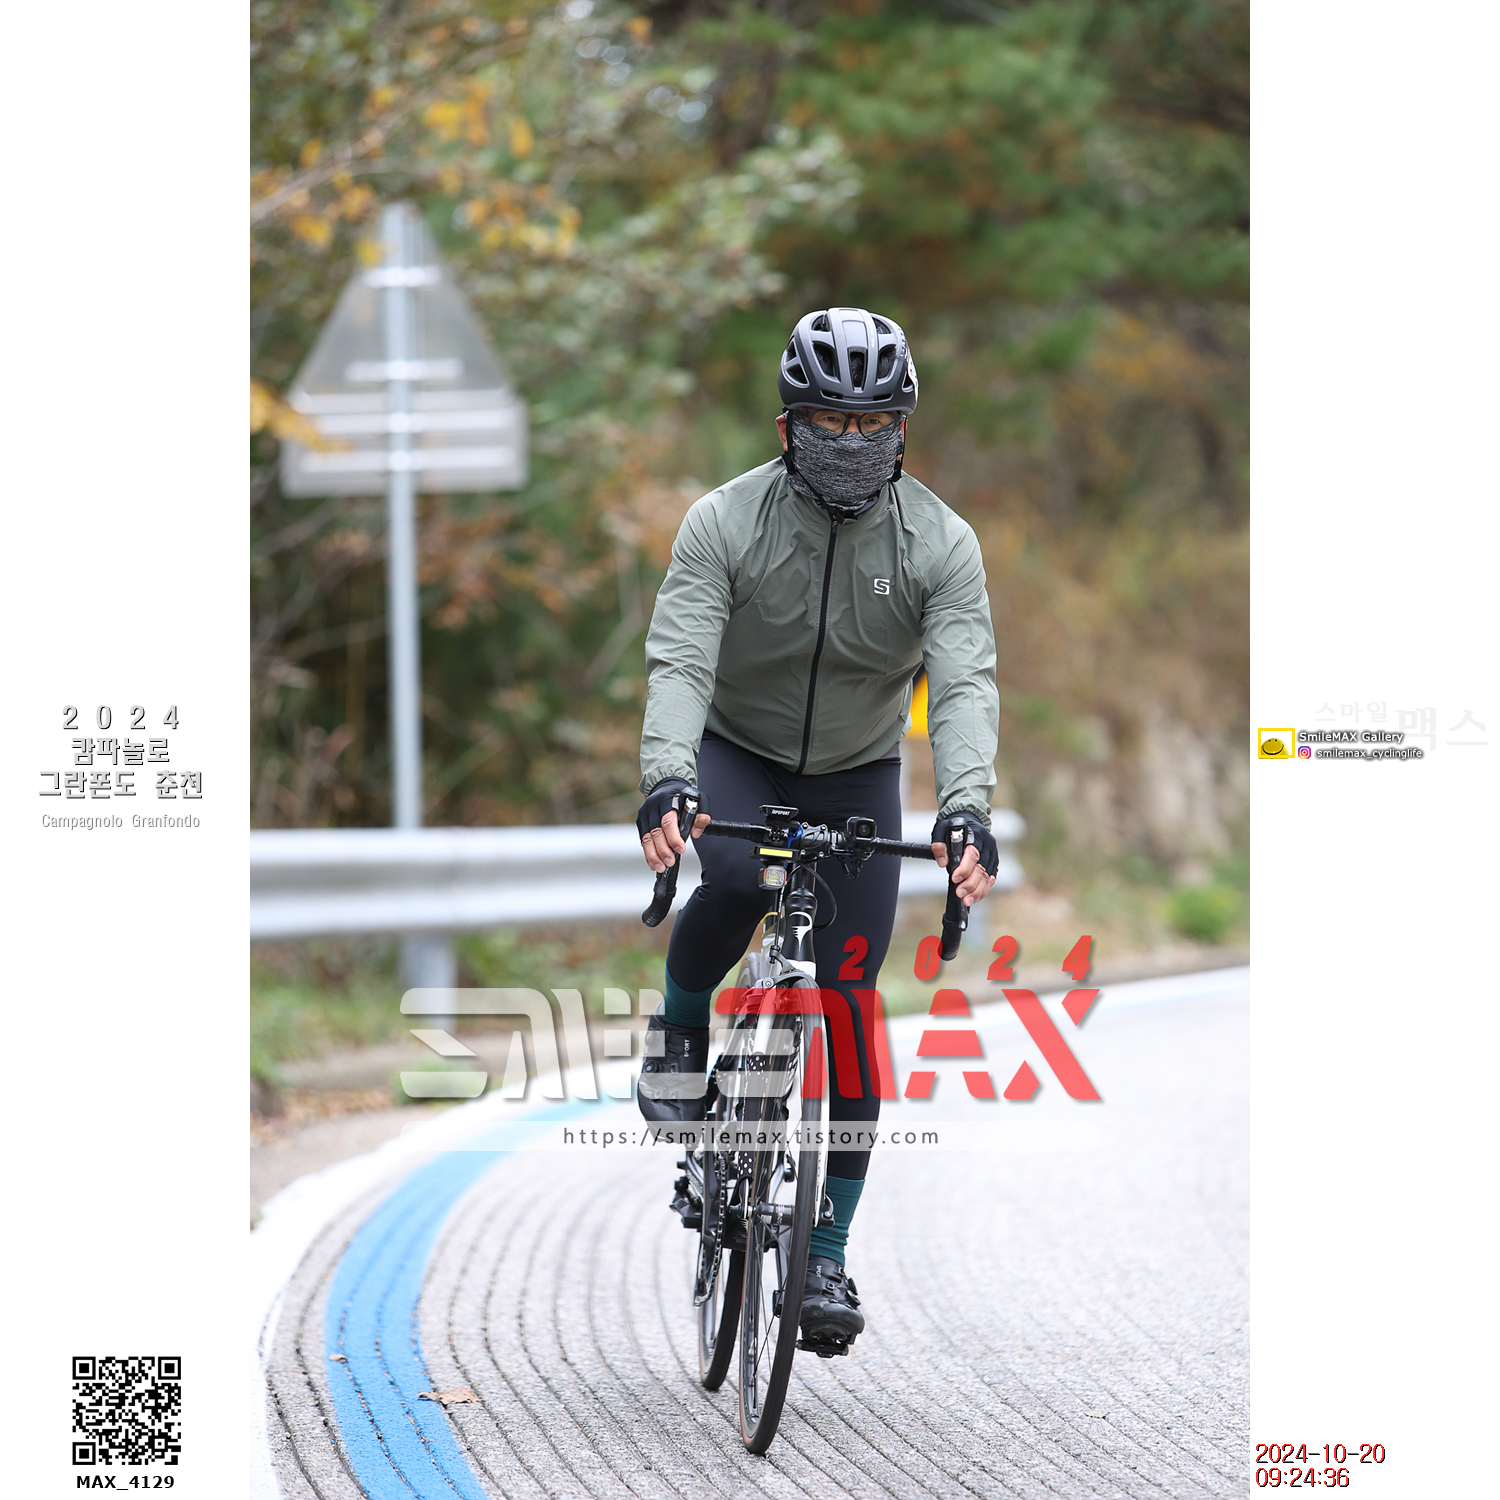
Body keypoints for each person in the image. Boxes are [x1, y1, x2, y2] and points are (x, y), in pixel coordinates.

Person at [634, 307, 1000, 1349]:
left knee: (847, 1001)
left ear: (902, 428)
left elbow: (963, 683)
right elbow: (681, 660)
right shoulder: (725, 522)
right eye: (829, 423)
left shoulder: (940, 544)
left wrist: (966, 805)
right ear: (788, 426)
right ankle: (680, 1031)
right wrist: (668, 779)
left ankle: (826, 1254)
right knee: (735, 877)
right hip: (736, 749)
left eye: (871, 423)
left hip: (858, 770)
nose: (850, 442)